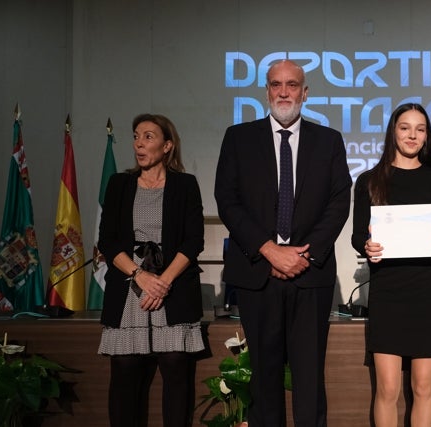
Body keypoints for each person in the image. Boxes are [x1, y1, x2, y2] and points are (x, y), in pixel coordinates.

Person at [214, 59, 351, 427]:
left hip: (311, 276)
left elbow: (339, 201)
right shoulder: (238, 138)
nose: (284, 92)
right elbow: (227, 200)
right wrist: (269, 249)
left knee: (309, 379)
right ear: (267, 92)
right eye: (276, 85)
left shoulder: (329, 141)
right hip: (258, 274)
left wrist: (302, 255)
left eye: (292, 85)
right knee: (264, 379)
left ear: (305, 93)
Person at [351, 103, 431, 427]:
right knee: (388, 388)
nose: (412, 134)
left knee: (423, 386)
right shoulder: (369, 180)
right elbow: (358, 237)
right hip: (388, 292)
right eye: (405, 127)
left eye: (420, 128)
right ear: (393, 131)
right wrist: (367, 246)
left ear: (427, 136)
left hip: (427, 292)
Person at [98, 113, 205, 427]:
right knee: (125, 371)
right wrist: (140, 276)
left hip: (173, 287)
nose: (138, 143)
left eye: (148, 136)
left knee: (175, 369)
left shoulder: (185, 185)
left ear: (167, 145)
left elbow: (193, 240)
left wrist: (163, 283)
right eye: (135, 136)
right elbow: (107, 240)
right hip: (130, 286)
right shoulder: (119, 183)